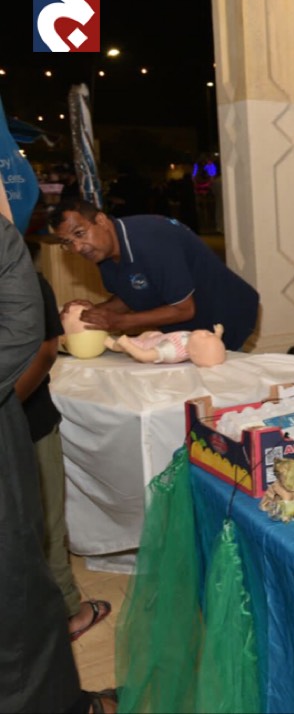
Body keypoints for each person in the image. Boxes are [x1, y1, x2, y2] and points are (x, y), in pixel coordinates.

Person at [0, 214, 111, 714]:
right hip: (20, 421)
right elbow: (31, 338)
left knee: (42, 533)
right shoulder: (18, 273)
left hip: (30, 416)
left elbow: (40, 347)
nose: (73, 246)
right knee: (25, 561)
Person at [17, 244, 113, 644]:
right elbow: (45, 352)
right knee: (45, 521)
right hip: (28, 421)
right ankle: (68, 614)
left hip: (27, 418)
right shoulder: (26, 281)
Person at [48, 198, 260, 351]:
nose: (77, 248)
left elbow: (184, 309)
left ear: (101, 220)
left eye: (79, 233)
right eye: (68, 242)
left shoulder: (152, 241)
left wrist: (119, 322)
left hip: (229, 319)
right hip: (189, 333)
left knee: (220, 391)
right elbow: (133, 290)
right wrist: (94, 313)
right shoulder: (103, 250)